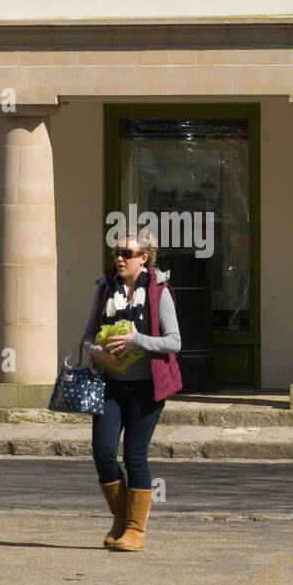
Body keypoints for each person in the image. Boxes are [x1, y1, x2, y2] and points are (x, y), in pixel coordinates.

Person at [82, 230, 182, 552]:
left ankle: (136, 531)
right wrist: (95, 351)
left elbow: (174, 342)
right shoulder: (104, 290)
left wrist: (137, 340)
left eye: (127, 253)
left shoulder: (159, 292)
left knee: (134, 456)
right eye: (116, 253)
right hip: (109, 385)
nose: (120, 258)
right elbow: (87, 337)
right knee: (103, 453)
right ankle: (121, 519)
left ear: (144, 258)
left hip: (146, 389)